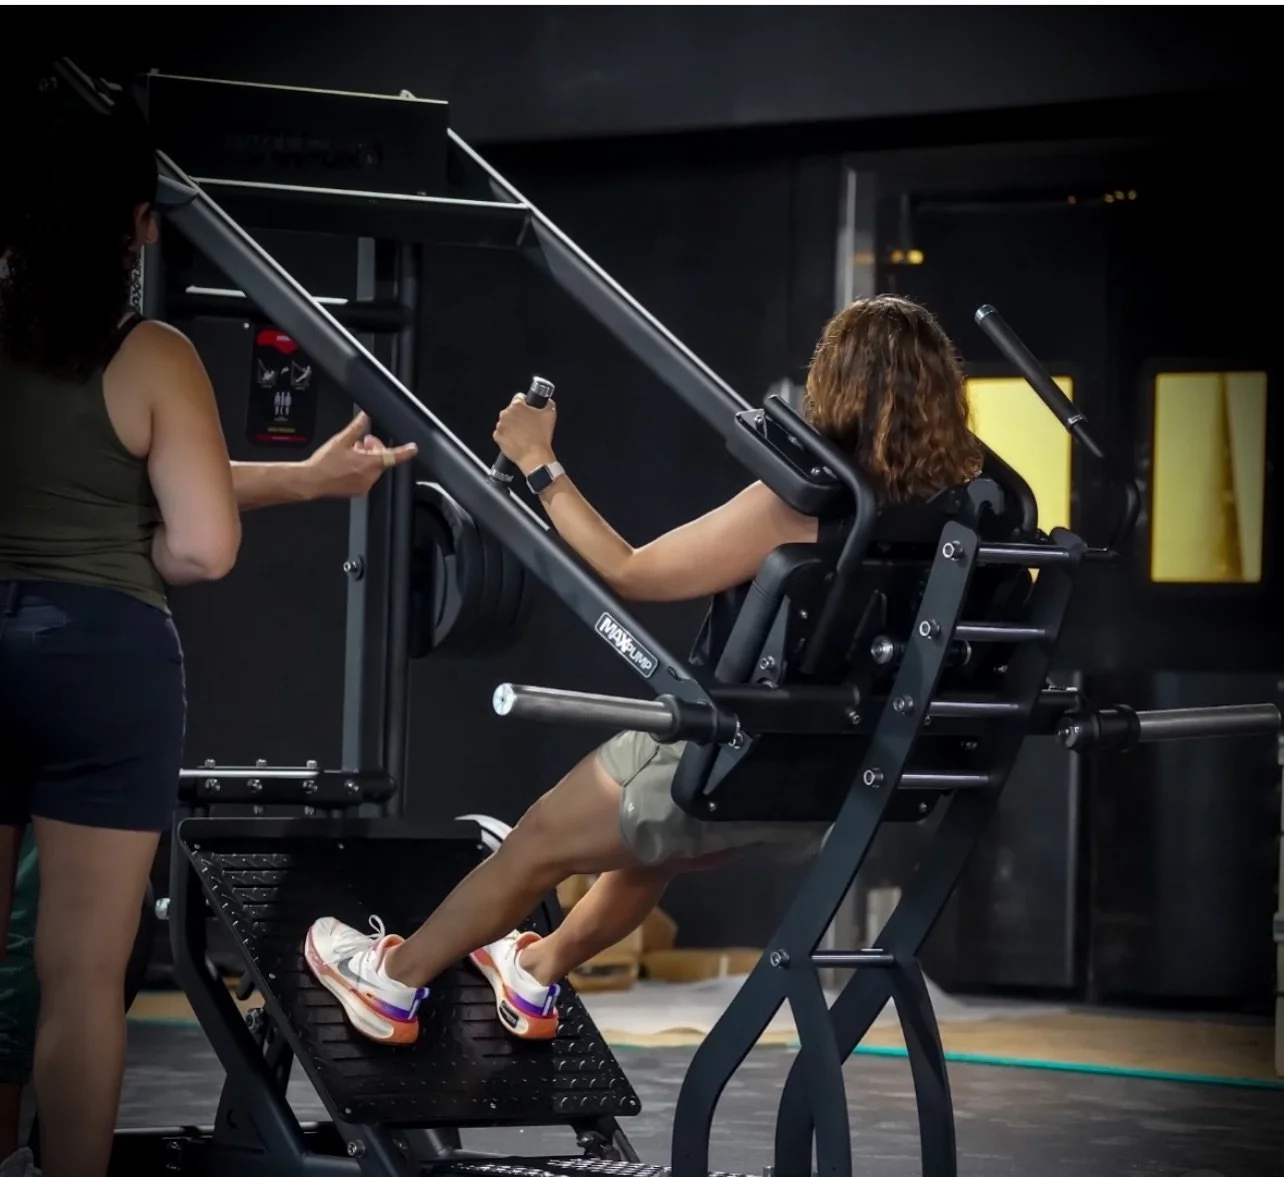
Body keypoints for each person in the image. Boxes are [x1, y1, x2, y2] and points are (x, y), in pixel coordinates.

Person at [303, 293, 985, 1046]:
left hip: (724, 757)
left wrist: (538, 461)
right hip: (814, 792)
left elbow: (629, 569)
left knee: (536, 842)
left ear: (835, 384)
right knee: (642, 848)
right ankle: (535, 973)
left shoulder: (803, 505)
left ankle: (390, 983)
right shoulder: (950, 517)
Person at [0, 88, 415, 1177]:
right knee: (83, 979)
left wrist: (311, 477)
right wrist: (137, 555)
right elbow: (201, 543)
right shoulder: (150, 355)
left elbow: (96, 474)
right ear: (138, 222)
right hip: (102, 659)